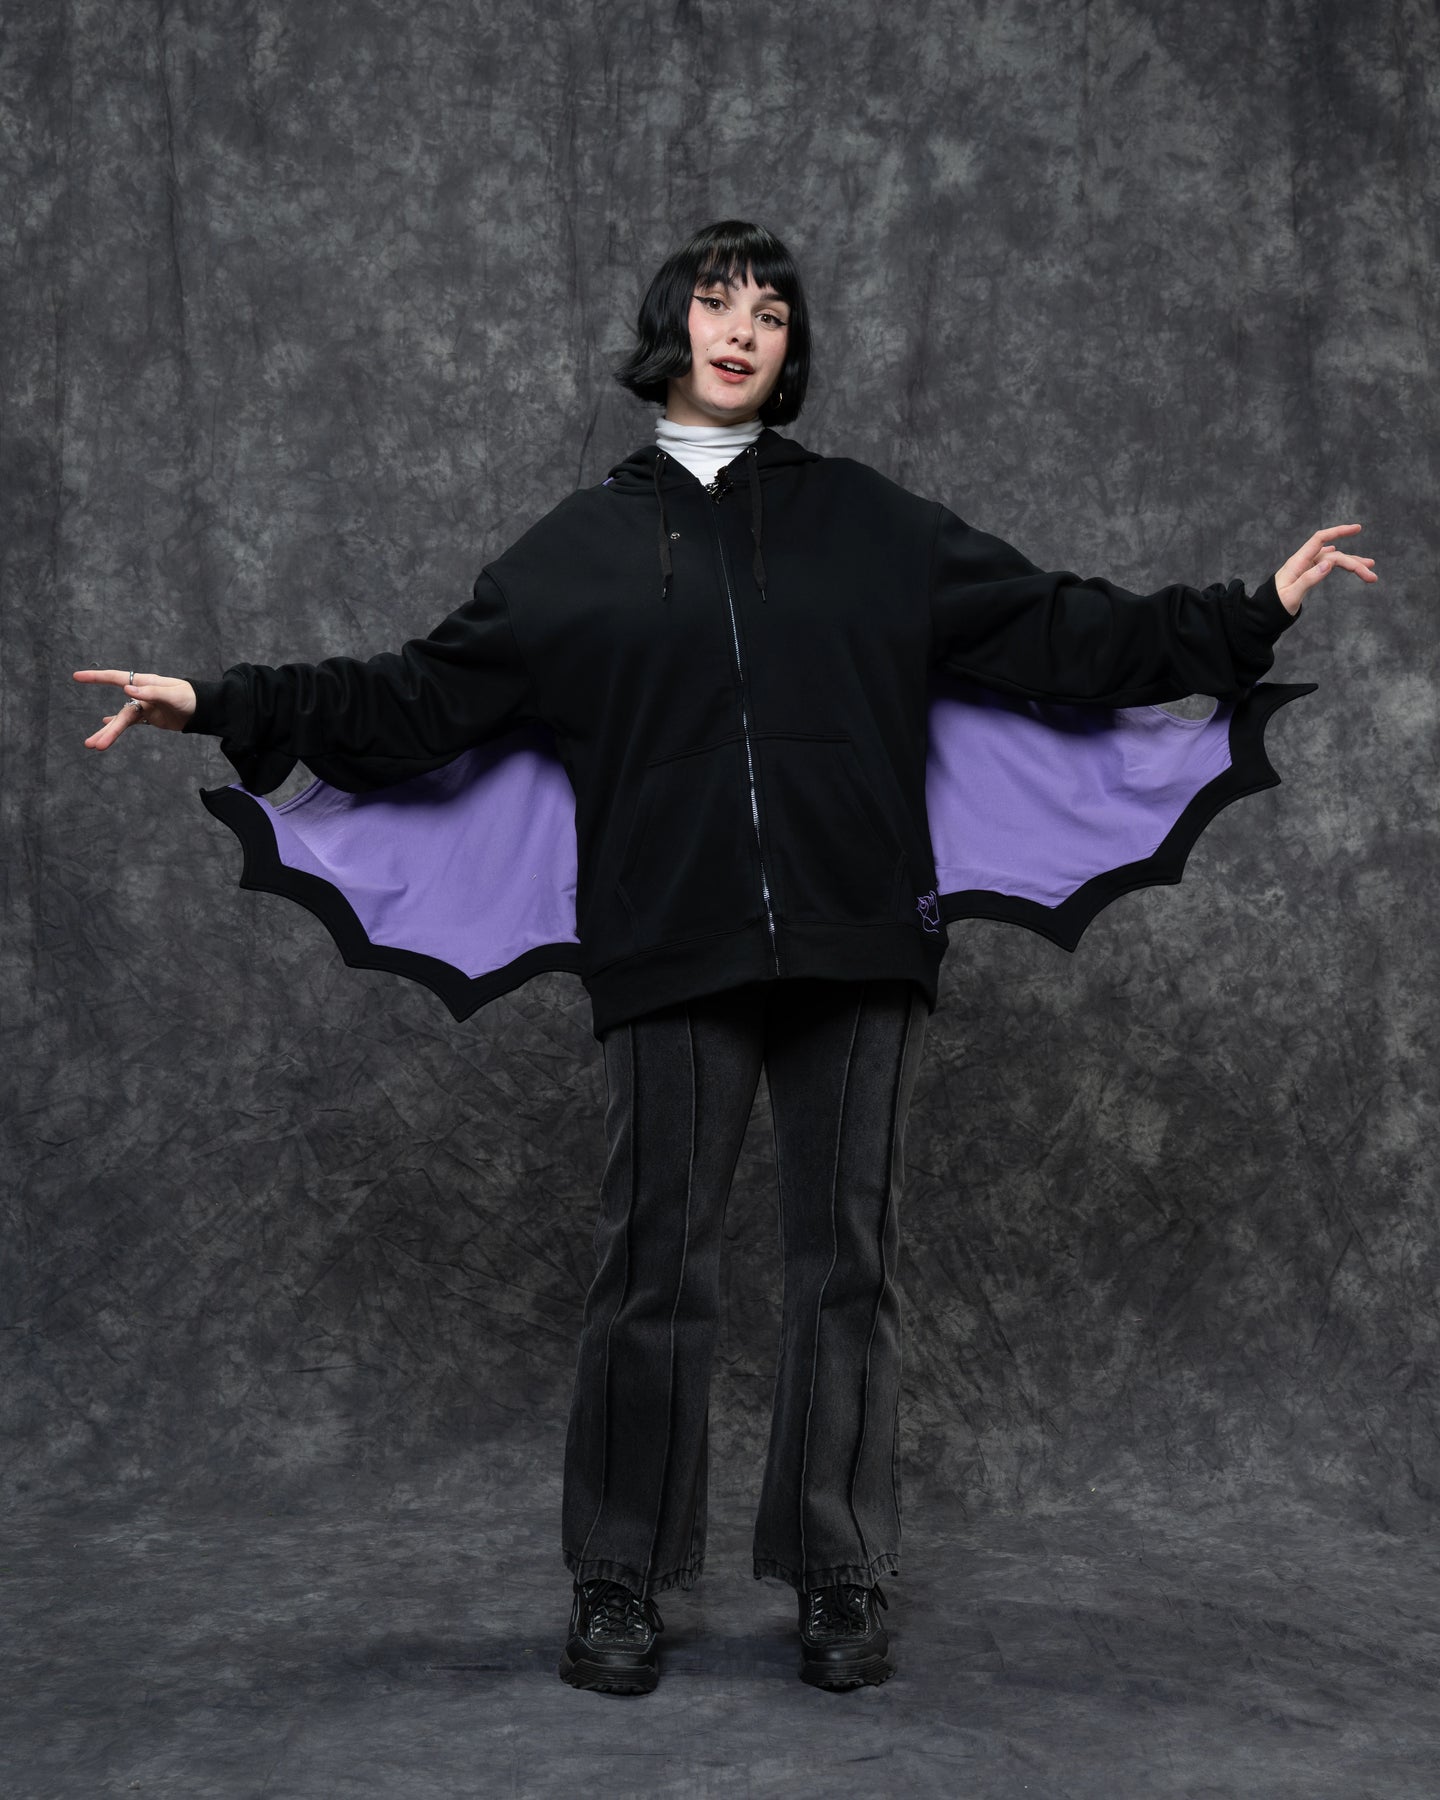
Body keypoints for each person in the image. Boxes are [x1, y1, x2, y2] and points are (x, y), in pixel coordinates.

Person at [74, 220, 1376, 1697]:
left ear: (790, 347)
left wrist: (1248, 613)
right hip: (668, 941)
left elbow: (1064, 634)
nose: (743, 328)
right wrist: (218, 701)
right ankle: (618, 1577)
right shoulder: (572, 553)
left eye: (771, 310)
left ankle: (839, 1570)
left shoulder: (874, 525)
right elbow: (409, 703)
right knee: (653, 1270)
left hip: (859, 933)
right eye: (715, 302)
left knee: (845, 1268)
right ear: (672, 329)